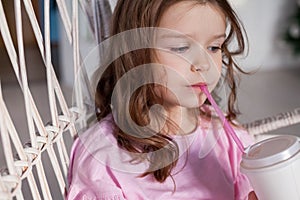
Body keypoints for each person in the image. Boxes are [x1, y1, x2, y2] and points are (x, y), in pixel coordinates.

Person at [67, 0, 258, 199]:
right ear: (134, 53)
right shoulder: (104, 158)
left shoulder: (226, 135)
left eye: (214, 47)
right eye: (181, 47)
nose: (203, 64)